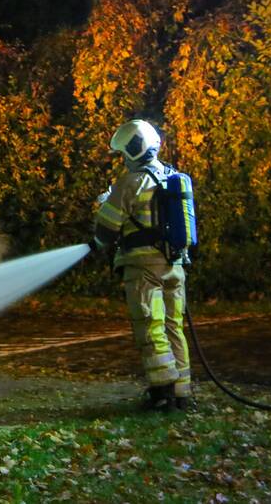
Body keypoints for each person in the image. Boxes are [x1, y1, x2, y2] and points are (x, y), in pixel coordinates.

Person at [90, 119, 191, 411]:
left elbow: (106, 232)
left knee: (150, 326)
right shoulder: (171, 176)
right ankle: (183, 393)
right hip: (175, 265)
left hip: (144, 267)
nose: (123, 159)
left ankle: (163, 394)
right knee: (174, 326)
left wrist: (106, 204)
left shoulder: (130, 182)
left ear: (132, 151)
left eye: (123, 153)